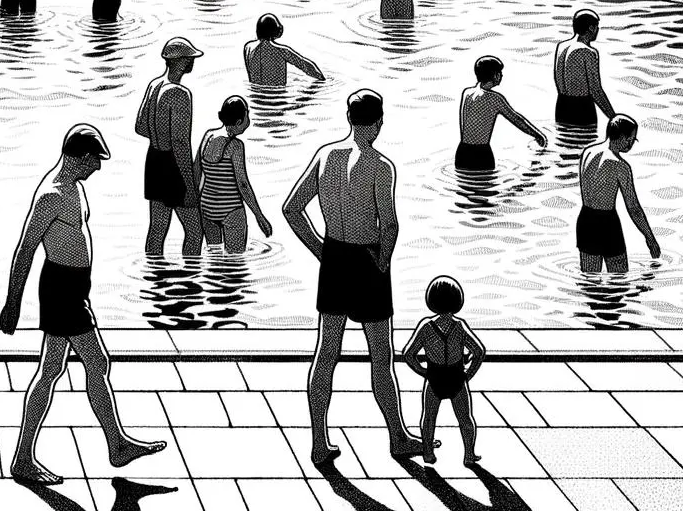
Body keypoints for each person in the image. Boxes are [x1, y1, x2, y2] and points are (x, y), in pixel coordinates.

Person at [0, 124, 168, 484]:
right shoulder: (53, 195)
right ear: (80, 156)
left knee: (55, 370)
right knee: (87, 363)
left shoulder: (73, 188)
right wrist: (12, 304)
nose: (99, 167)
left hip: (73, 288)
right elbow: (25, 248)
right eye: (95, 160)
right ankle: (40, 457)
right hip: (60, 289)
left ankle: (109, 445)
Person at [283, 89, 425, 466]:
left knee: (326, 353)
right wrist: (383, 262)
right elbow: (390, 224)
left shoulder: (326, 156)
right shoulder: (380, 165)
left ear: (348, 118)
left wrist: (320, 251)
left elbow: (291, 209)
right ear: (378, 123)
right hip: (367, 259)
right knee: (380, 357)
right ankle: (397, 436)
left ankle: (318, 442)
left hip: (335, 257)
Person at [402, 277, 486, 466]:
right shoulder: (460, 326)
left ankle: (428, 454)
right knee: (465, 419)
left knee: (429, 417)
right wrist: (468, 374)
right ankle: (469, 454)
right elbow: (479, 351)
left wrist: (423, 372)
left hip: (434, 377)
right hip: (457, 377)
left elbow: (408, 354)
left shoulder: (426, 327)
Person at [135, 38, 203, 257]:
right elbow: (181, 143)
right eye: (189, 58)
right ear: (180, 61)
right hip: (173, 164)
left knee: (156, 230)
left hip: (154, 160)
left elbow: (140, 127)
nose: (192, 61)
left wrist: (159, 134)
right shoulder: (180, 94)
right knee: (194, 231)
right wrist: (190, 185)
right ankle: (191, 280)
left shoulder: (154, 85)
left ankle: (154, 280)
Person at [576, 115, 660, 273]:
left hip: (586, 221)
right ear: (622, 137)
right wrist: (650, 238)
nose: (631, 143)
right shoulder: (621, 166)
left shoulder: (587, 152)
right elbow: (633, 208)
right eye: (631, 139)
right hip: (607, 224)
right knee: (619, 284)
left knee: (590, 283)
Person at [195, 96, 272, 254]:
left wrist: (198, 204)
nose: (248, 121)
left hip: (207, 209)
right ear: (238, 122)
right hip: (231, 211)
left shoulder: (208, 136)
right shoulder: (235, 146)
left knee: (214, 258)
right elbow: (242, 184)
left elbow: (196, 171)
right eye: (247, 116)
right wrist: (259, 215)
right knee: (235, 263)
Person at [454, 56, 547, 175]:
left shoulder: (467, 93)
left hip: (462, 152)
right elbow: (516, 119)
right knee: (486, 190)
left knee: (466, 188)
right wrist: (537, 134)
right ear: (494, 75)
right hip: (481, 154)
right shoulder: (495, 99)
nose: (502, 76)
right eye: (500, 73)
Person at [554, 9, 614, 130]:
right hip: (582, 109)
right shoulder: (588, 51)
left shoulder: (561, 46)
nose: (598, 30)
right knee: (585, 144)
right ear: (591, 28)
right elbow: (595, 90)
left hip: (562, 106)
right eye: (597, 27)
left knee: (564, 143)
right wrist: (613, 117)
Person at [244, 13, 325, 86]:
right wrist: (322, 79)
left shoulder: (248, 47)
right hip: (277, 97)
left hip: (255, 97)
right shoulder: (282, 51)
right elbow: (305, 65)